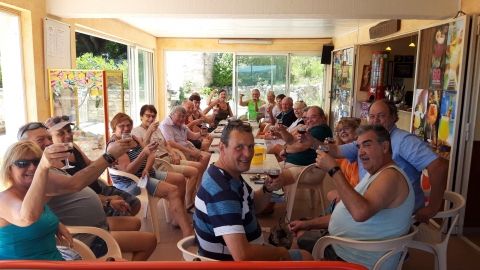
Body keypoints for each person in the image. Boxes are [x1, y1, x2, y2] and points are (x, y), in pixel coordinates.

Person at [18, 122, 157, 260]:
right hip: (85, 238)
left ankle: (117, 258)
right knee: (149, 240)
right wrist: (109, 156)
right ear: (23, 147)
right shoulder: (35, 175)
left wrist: (106, 200)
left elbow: (78, 185)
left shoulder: (49, 166)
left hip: (95, 226)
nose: (49, 142)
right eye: (40, 140)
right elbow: (75, 184)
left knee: (135, 222)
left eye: (49, 138)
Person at [289, 125, 415, 269]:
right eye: (359, 147)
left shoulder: (391, 176)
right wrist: (308, 223)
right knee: (301, 230)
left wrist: (334, 170)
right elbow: (347, 212)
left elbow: (360, 212)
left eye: (367, 145)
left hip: (356, 260)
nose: (361, 152)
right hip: (346, 247)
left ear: (385, 147)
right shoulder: (375, 174)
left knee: (296, 246)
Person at [193, 120, 313, 261]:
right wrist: (280, 253)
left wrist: (268, 188)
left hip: (246, 251)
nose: (248, 154)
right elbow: (242, 256)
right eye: (239, 147)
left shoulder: (226, 173)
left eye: (251, 146)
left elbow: (253, 205)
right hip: (232, 263)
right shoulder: (223, 191)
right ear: (222, 147)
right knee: (305, 257)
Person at [328, 100, 448, 222]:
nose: (376, 120)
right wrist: (312, 143)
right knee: (335, 198)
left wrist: (433, 207)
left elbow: (439, 166)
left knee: (338, 214)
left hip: (394, 216)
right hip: (374, 207)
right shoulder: (369, 139)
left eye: (381, 116)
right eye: (372, 116)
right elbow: (336, 151)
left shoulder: (404, 141)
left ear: (394, 117)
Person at [108, 112, 193, 237]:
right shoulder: (115, 145)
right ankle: (188, 232)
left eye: (128, 125)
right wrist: (143, 154)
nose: (126, 128)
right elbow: (128, 171)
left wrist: (147, 168)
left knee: (180, 179)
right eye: (122, 126)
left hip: (146, 174)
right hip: (132, 181)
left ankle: (177, 217)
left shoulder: (134, 138)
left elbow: (151, 155)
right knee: (173, 190)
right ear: (114, 128)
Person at [45, 115, 141, 217]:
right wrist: (107, 200)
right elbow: (74, 190)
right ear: (50, 138)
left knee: (135, 203)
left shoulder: (73, 147)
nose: (68, 135)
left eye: (69, 131)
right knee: (126, 214)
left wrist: (108, 161)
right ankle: (109, 228)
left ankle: (117, 228)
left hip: (99, 188)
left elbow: (89, 164)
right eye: (61, 133)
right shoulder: (52, 163)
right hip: (87, 199)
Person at [0, 141, 72, 260]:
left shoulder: (33, 193)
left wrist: (55, 224)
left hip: (56, 262)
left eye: (37, 162)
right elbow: (26, 217)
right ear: (9, 169)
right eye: (22, 163)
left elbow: (75, 184)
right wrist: (43, 167)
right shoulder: (3, 199)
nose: (33, 167)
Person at [132, 104, 202, 209]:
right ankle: (186, 204)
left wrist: (173, 154)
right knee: (193, 172)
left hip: (168, 158)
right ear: (141, 116)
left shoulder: (157, 129)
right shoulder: (136, 132)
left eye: (153, 116)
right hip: (158, 163)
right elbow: (143, 151)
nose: (151, 118)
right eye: (148, 116)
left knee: (198, 166)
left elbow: (166, 144)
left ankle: (189, 199)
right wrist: (150, 131)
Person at [275, 106, 333, 186]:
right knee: (270, 168)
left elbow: (300, 146)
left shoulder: (320, 129)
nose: (309, 121)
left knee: (273, 173)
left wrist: (285, 149)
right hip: (298, 165)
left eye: (313, 117)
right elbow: (292, 141)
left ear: (323, 117)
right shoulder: (311, 129)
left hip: (308, 170)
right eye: (307, 118)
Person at [160, 106, 211, 172]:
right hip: (179, 151)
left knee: (208, 156)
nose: (182, 118)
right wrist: (190, 152)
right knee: (205, 158)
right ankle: (198, 180)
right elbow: (170, 143)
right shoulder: (166, 124)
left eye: (184, 116)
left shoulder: (181, 124)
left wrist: (201, 133)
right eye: (179, 116)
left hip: (187, 147)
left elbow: (193, 136)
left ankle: (199, 179)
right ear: (172, 114)